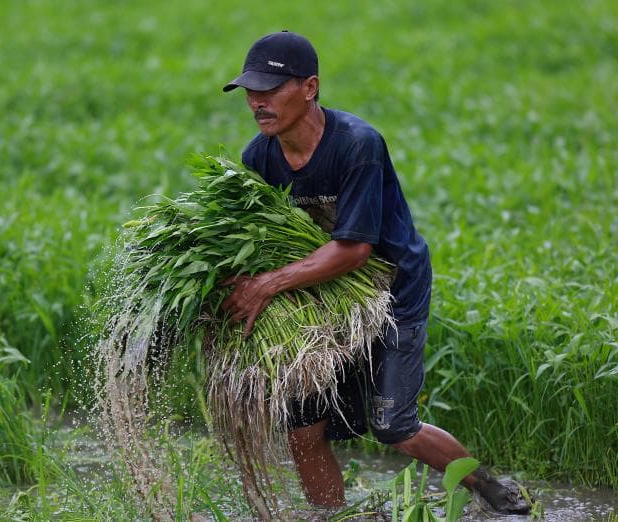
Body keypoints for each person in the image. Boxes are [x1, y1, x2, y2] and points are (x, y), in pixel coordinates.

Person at [220, 30, 530, 516]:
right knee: (302, 428)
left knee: (394, 426)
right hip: (325, 298)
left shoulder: (356, 145)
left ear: (310, 87)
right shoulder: (257, 158)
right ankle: (336, 517)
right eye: (250, 92)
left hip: (391, 289)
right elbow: (259, 244)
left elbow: (354, 251)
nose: (257, 102)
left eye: (269, 90)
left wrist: (266, 284)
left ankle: (493, 490)